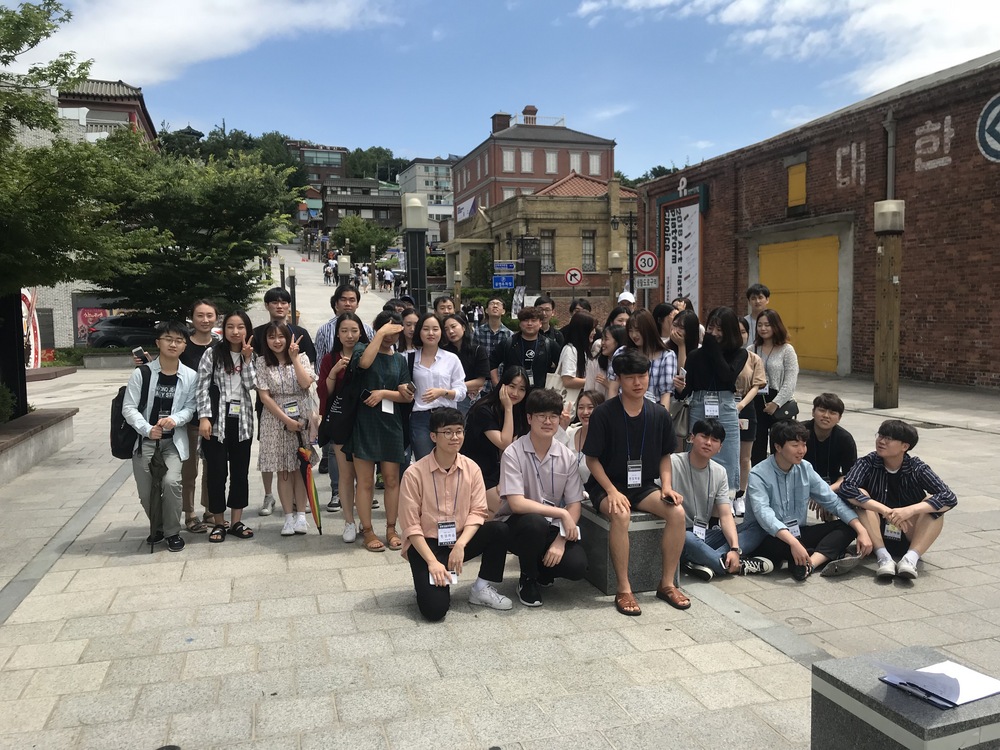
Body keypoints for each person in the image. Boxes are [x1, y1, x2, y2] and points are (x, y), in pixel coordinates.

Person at [583, 350, 688, 616]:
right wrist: (610, 490)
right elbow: (591, 460)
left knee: (676, 512)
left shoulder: (659, 414)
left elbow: (666, 455)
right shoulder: (604, 414)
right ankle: (624, 588)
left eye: (642, 376)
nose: (638, 382)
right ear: (619, 379)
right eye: (630, 377)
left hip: (643, 485)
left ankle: (666, 584)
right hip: (607, 485)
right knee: (620, 513)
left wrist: (666, 486)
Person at [399, 407, 513, 621]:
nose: (455, 437)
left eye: (459, 431)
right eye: (448, 432)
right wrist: (432, 562)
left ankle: (481, 588)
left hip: (459, 539)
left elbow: (479, 512)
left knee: (499, 529)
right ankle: (429, 580)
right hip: (427, 544)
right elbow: (411, 527)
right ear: (433, 436)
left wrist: (460, 545)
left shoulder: (472, 468)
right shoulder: (414, 474)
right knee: (435, 610)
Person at [740, 421, 873, 580]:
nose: (801, 450)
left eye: (804, 444)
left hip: (797, 532)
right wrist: (794, 543)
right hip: (769, 536)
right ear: (778, 447)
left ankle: (809, 563)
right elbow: (765, 515)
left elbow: (833, 502)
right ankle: (811, 555)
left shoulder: (805, 468)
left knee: (847, 526)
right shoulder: (758, 474)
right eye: (795, 445)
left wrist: (861, 530)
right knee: (781, 544)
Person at [497, 388, 588, 607]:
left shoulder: (566, 456)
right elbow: (517, 504)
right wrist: (561, 512)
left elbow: (575, 504)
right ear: (529, 418)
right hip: (516, 526)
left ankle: (543, 569)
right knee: (534, 522)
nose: (548, 422)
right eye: (541, 416)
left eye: (553, 416)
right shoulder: (513, 452)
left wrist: (561, 539)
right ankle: (527, 577)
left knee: (578, 566)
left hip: (550, 526)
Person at [837, 420, 956, 580]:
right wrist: (884, 510)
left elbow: (949, 496)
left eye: (889, 438)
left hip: (909, 531)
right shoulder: (868, 462)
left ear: (904, 446)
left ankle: (910, 559)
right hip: (876, 533)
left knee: (935, 504)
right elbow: (847, 487)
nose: (881, 441)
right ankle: (884, 558)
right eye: (880, 435)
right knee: (861, 494)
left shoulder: (916, 468)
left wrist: (909, 510)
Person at [122, 321, 198, 552]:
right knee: (147, 491)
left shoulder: (190, 376)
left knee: (172, 482)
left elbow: (191, 406)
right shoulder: (142, 374)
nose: (173, 344)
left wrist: (175, 419)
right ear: (158, 343)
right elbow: (129, 407)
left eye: (179, 341)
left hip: (173, 442)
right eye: (168, 339)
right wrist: (147, 429)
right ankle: (158, 527)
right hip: (145, 441)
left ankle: (173, 532)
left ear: (184, 346)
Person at [345, 311, 413, 552]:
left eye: (395, 332)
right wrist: (381, 333)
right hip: (364, 421)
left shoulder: (400, 360)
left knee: (392, 479)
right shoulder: (363, 348)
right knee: (364, 482)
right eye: (386, 330)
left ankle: (392, 529)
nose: (390, 337)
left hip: (390, 422)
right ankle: (368, 530)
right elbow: (364, 364)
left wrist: (384, 394)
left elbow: (406, 395)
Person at [676, 419, 773, 581]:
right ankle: (733, 566)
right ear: (692, 438)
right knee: (686, 536)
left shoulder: (719, 472)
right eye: (704, 436)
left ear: (720, 448)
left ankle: (710, 560)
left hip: (703, 535)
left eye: (715, 440)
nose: (708, 443)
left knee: (758, 526)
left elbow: (726, 515)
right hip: (677, 536)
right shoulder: (673, 463)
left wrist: (735, 549)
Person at [253, 287, 316, 516]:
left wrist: (294, 358)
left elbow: (308, 376)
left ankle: (301, 502)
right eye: (274, 302)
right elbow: (259, 380)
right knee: (272, 455)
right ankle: (270, 496)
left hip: (299, 404)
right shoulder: (258, 333)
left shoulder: (301, 333)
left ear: (289, 306)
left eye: (283, 302)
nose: (279, 306)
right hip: (271, 405)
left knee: (298, 458)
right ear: (267, 305)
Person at [197, 310, 257, 544]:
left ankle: (236, 522)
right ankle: (219, 523)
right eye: (230, 327)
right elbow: (201, 387)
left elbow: (252, 384)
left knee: (240, 473)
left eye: (240, 327)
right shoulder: (211, 354)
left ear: (247, 329)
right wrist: (204, 417)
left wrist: (247, 359)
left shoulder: (251, 354)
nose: (235, 331)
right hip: (216, 421)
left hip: (242, 422)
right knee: (216, 473)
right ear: (223, 330)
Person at [312, 284, 374, 510]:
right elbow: (321, 373)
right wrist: (333, 373)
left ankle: (365, 494)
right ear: (335, 301)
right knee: (337, 456)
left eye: (352, 299)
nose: (350, 335)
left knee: (364, 456)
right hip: (338, 410)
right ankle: (338, 492)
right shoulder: (325, 335)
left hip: (363, 411)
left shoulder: (368, 334)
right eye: (343, 299)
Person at [674, 307, 747, 496]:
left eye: (719, 329)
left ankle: (726, 500)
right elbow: (686, 391)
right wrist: (680, 388)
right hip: (699, 405)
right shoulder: (695, 355)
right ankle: (695, 495)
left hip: (725, 406)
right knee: (698, 451)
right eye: (710, 328)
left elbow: (726, 376)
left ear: (729, 331)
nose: (713, 334)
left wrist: (713, 348)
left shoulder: (740, 354)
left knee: (729, 454)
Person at [317, 312, 370, 543]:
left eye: (354, 331)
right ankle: (348, 521)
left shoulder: (368, 356)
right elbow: (324, 395)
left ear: (361, 332)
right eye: (344, 331)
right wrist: (334, 372)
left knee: (365, 477)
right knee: (346, 475)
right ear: (337, 334)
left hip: (366, 422)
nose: (349, 336)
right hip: (341, 423)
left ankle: (364, 521)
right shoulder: (330, 358)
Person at [461, 366, 530, 516]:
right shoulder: (484, 410)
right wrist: (508, 409)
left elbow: (509, 451)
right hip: (475, 470)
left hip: (497, 470)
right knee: (503, 507)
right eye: (512, 386)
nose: (515, 393)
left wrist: (505, 479)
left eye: (522, 389)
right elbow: (503, 443)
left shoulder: (518, 412)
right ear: (502, 385)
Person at [179, 299, 219, 533]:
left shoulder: (221, 346)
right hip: (189, 417)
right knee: (189, 468)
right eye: (200, 315)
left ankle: (210, 509)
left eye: (209, 315)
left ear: (216, 318)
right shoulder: (183, 346)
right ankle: (190, 513)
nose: (205, 320)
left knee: (212, 466)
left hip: (216, 417)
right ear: (192, 318)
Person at [407, 312, 467, 460]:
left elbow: (462, 391)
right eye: (426, 329)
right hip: (420, 417)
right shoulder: (409, 358)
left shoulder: (451, 359)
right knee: (425, 462)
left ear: (441, 332)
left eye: (435, 329)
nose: (431, 333)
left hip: (447, 416)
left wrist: (443, 392)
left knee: (449, 460)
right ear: (419, 331)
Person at [751, 309, 799, 466]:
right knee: (756, 445)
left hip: (779, 403)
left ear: (776, 326)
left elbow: (790, 381)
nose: (763, 328)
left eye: (767, 325)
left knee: (779, 446)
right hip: (756, 400)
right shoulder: (752, 349)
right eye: (760, 325)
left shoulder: (787, 350)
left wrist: (775, 403)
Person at [607, 309, 676, 407]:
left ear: (649, 329)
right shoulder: (622, 352)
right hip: (624, 410)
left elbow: (665, 394)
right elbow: (613, 388)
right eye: (630, 331)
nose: (634, 335)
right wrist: (612, 414)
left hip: (653, 411)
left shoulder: (666, 356)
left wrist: (662, 419)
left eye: (638, 330)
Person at [735, 316, 767, 508]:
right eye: (735, 331)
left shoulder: (753, 358)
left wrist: (741, 405)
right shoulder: (720, 356)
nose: (739, 336)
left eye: (743, 332)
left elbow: (757, 385)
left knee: (745, 456)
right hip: (723, 407)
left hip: (746, 408)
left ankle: (741, 494)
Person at [489, 307, 561, 391]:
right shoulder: (508, 343)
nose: (529, 323)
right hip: (512, 393)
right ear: (520, 323)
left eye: (533, 320)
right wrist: (497, 385)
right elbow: (492, 362)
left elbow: (562, 366)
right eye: (526, 320)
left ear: (540, 323)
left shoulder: (549, 344)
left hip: (541, 395)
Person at [804, 393, 857, 492]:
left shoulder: (845, 438)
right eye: (822, 410)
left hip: (832, 486)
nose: (826, 416)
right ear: (813, 412)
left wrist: (826, 491)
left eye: (832, 413)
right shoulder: (799, 432)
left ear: (839, 418)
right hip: (800, 483)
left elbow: (849, 475)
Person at [442, 313, 489, 415]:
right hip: (448, 400)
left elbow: (480, 381)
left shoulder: (478, 350)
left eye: (453, 326)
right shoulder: (443, 352)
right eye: (446, 329)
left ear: (463, 327)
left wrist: (453, 388)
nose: (450, 331)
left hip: (470, 400)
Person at [556, 311, 597, 411]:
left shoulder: (582, 350)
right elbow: (568, 381)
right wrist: (593, 381)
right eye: (592, 329)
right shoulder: (570, 350)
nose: (594, 332)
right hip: (569, 403)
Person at [565, 389, 604, 485]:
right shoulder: (569, 433)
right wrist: (562, 428)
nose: (585, 412)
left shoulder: (607, 438)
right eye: (581, 407)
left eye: (590, 407)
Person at [594, 324, 629, 394]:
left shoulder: (625, 363)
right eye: (602, 339)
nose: (602, 343)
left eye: (606, 339)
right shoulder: (598, 362)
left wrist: (609, 385)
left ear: (617, 341)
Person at [744, 283, 771, 349]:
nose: (757, 301)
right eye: (753, 298)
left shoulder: (773, 320)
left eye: (760, 297)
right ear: (749, 301)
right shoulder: (744, 322)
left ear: (767, 300)